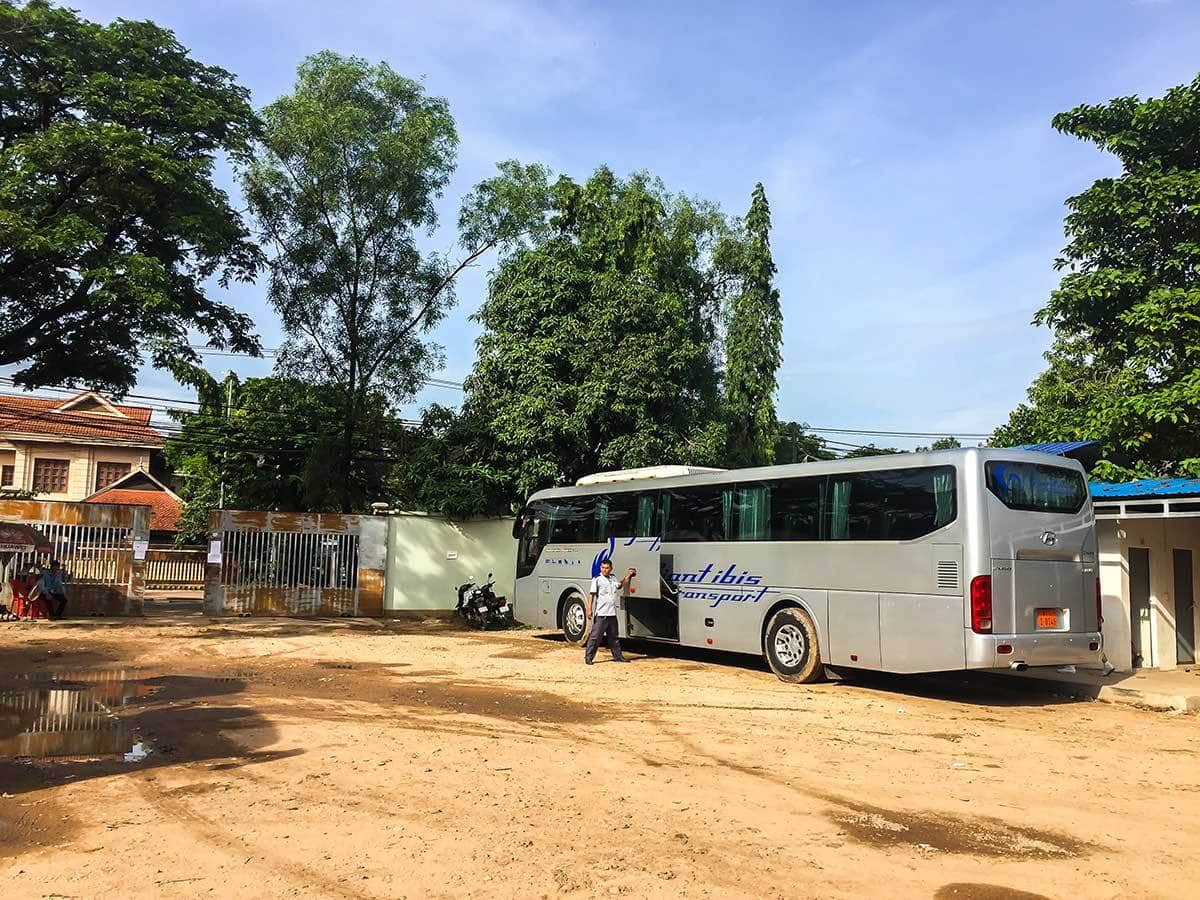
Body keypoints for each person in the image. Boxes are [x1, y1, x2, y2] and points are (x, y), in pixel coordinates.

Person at [584, 560, 635, 665]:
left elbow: (620, 585)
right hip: (601, 614)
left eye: (607, 568)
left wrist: (628, 575)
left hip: (612, 613)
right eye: (603, 567)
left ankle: (618, 657)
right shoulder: (597, 579)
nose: (604, 570)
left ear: (611, 568)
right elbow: (591, 595)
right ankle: (589, 657)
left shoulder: (613, 578)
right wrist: (589, 609)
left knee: (614, 637)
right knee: (595, 637)